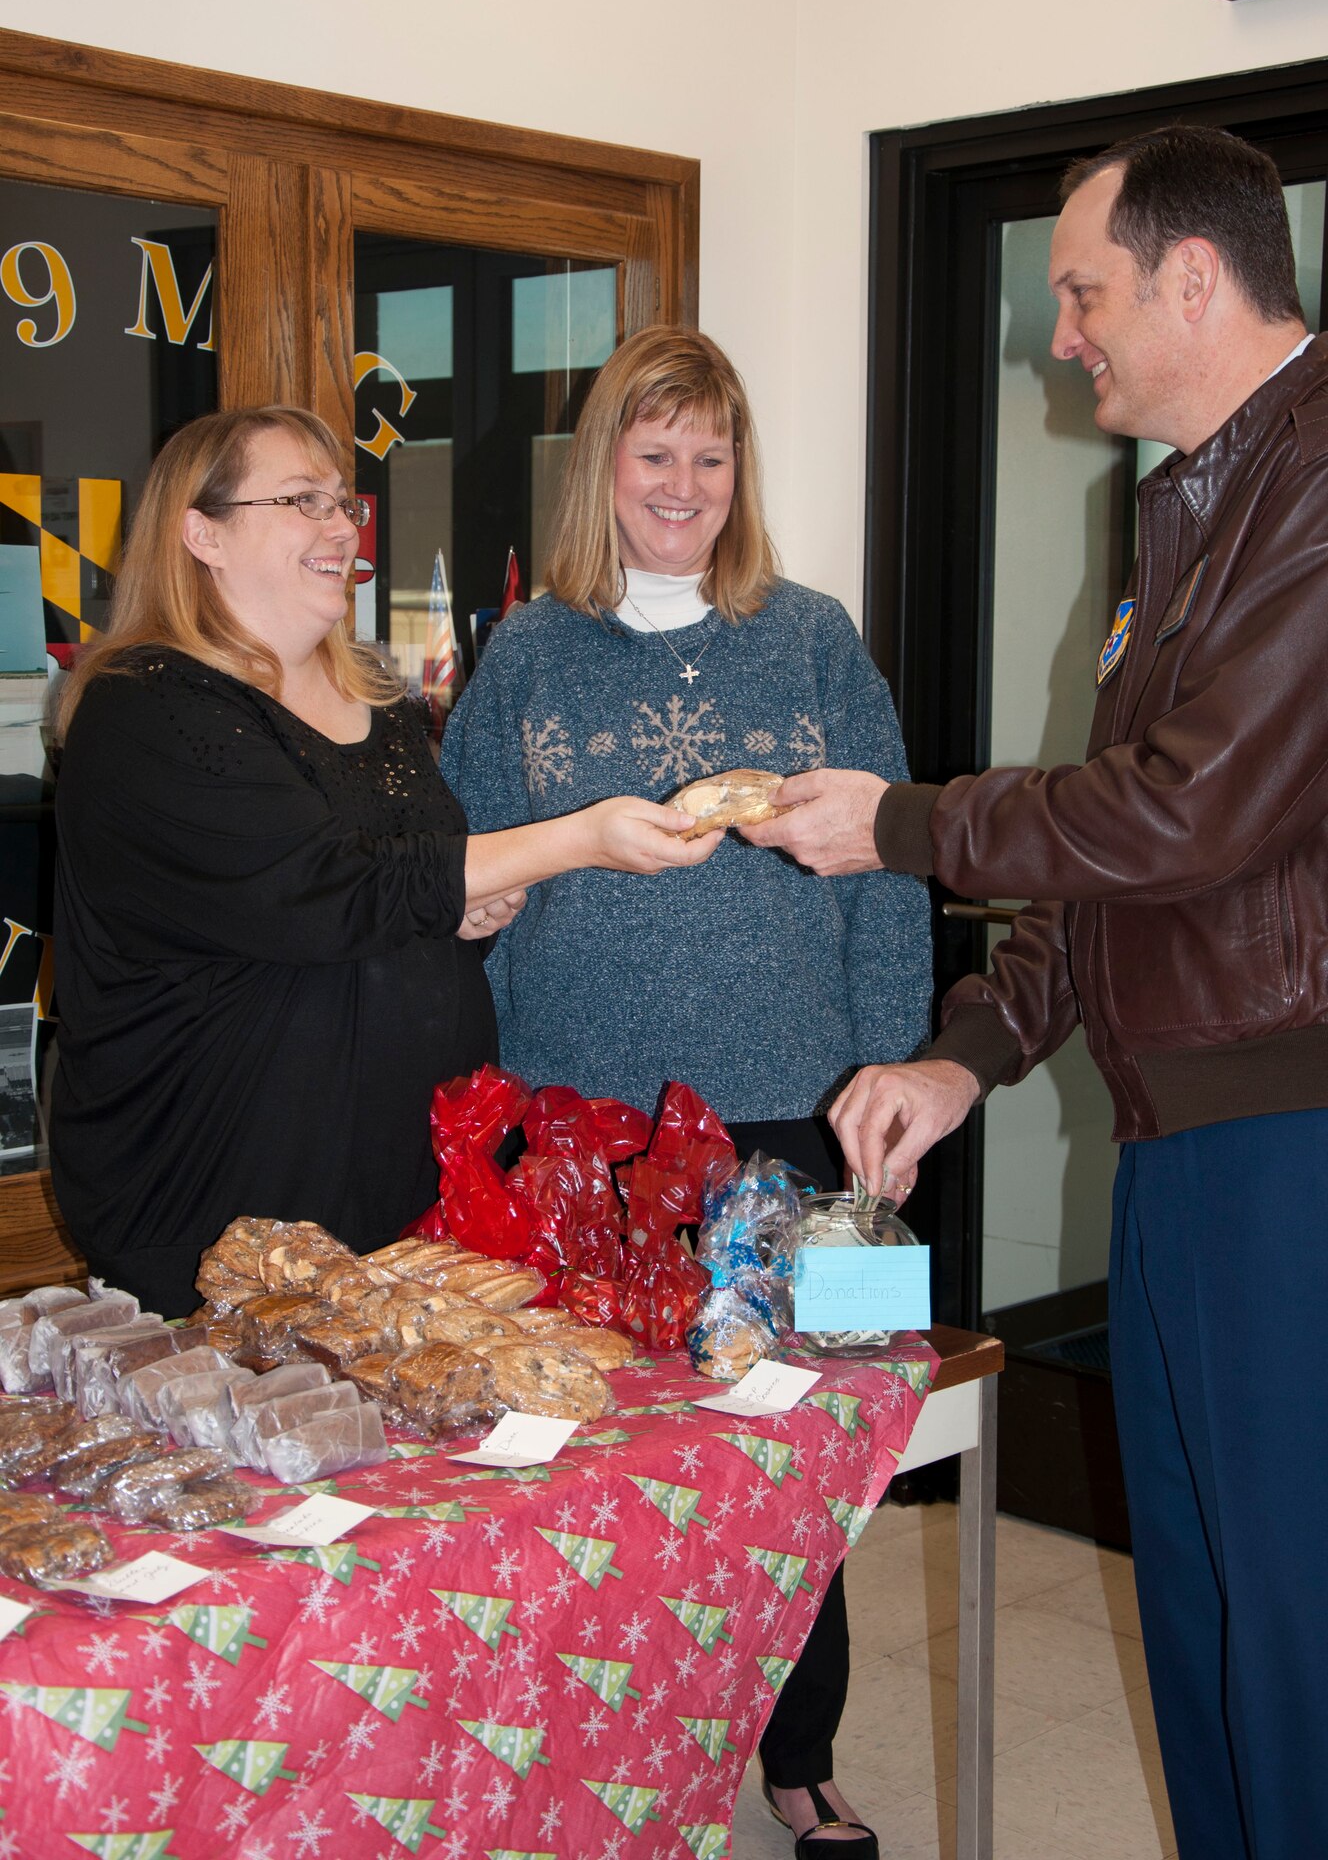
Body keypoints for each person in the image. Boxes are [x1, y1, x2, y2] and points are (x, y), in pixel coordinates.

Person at [744, 124, 1328, 1860]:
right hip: (1182, 1142)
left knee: (1288, 1624)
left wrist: (903, 825)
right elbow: (1115, 858)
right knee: (1204, 1615)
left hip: (1285, 1137)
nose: (1054, 334)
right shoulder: (1184, 495)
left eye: (1079, 293)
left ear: (1192, 280)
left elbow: (1188, 807)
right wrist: (966, 1054)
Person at [442, 325, 932, 1857]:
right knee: (591, 1463)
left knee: (807, 1455)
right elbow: (461, 887)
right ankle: (606, 1753)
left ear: (740, 475)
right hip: (588, 1130)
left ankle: (803, 1756)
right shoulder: (526, 654)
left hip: (804, 1111)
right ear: (606, 468)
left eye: (710, 456)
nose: (682, 484)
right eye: (654, 453)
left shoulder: (811, 638)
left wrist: (893, 1081)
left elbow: (893, 872)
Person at [51, 405, 721, 1319]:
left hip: (409, 1214)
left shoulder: (377, 700)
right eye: (300, 501)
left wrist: (469, 917)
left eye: (342, 503)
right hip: (221, 1222)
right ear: (201, 532)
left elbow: (407, 890)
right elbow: (326, 889)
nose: (340, 527)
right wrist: (582, 836)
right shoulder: (147, 710)